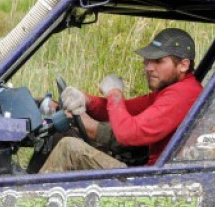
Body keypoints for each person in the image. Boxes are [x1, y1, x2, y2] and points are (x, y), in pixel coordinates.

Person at [39, 28, 202, 173]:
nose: (149, 67)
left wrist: (114, 93)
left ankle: (32, 202)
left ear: (183, 65)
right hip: (152, 174)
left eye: (159, 61)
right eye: (148, 60)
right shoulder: (171, 90)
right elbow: (125, 109)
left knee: (69, 148)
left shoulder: (182, 95)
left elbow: (128, 134)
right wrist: (87, 100)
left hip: (153, 182)